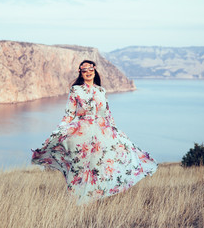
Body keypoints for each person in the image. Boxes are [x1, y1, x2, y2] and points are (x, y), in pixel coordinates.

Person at [31, 60, 158, 204]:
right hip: (81, 135)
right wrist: (59, 131)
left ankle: (96, 198)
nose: (88, 72)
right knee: (79, 168)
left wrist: (116, 131)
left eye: (90, 69)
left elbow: (108, 114)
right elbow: (69, 114)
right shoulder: (76, 90)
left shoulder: (101, 91)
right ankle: (76, 201)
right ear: (81, 73)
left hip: (102, 134)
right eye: (84, 71)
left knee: (100, 166)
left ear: (94, 70)